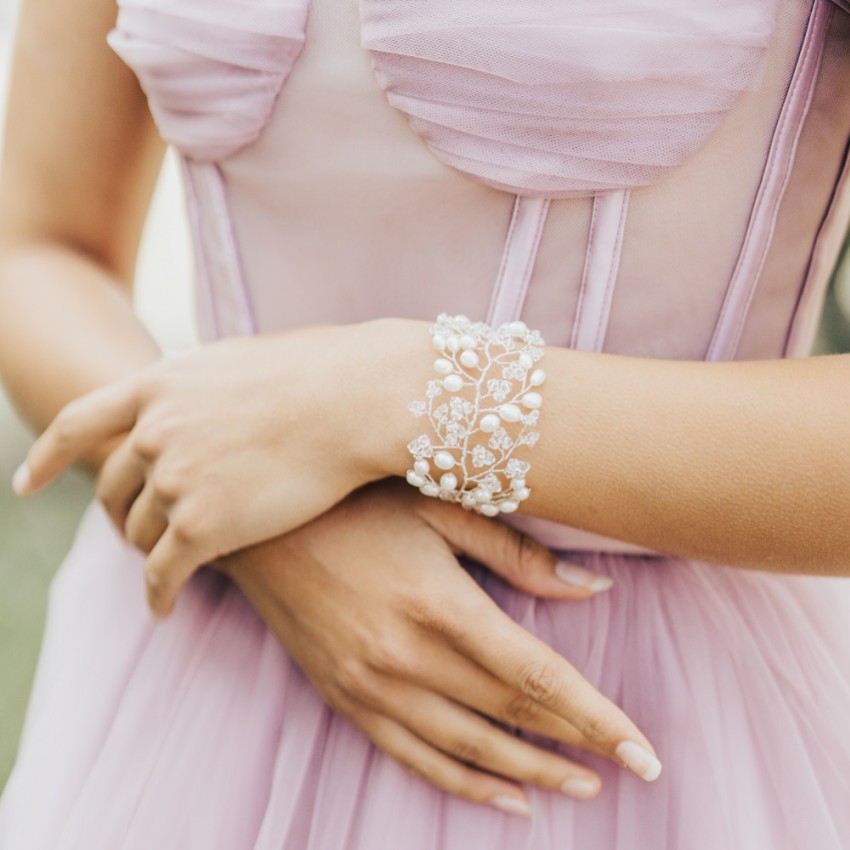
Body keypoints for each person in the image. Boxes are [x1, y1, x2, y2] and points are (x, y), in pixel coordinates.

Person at [1, 0, 850, 846]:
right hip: (196, 688)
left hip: (659, 712)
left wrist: (390, 396)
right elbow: (38, 247)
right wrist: (255, 519)